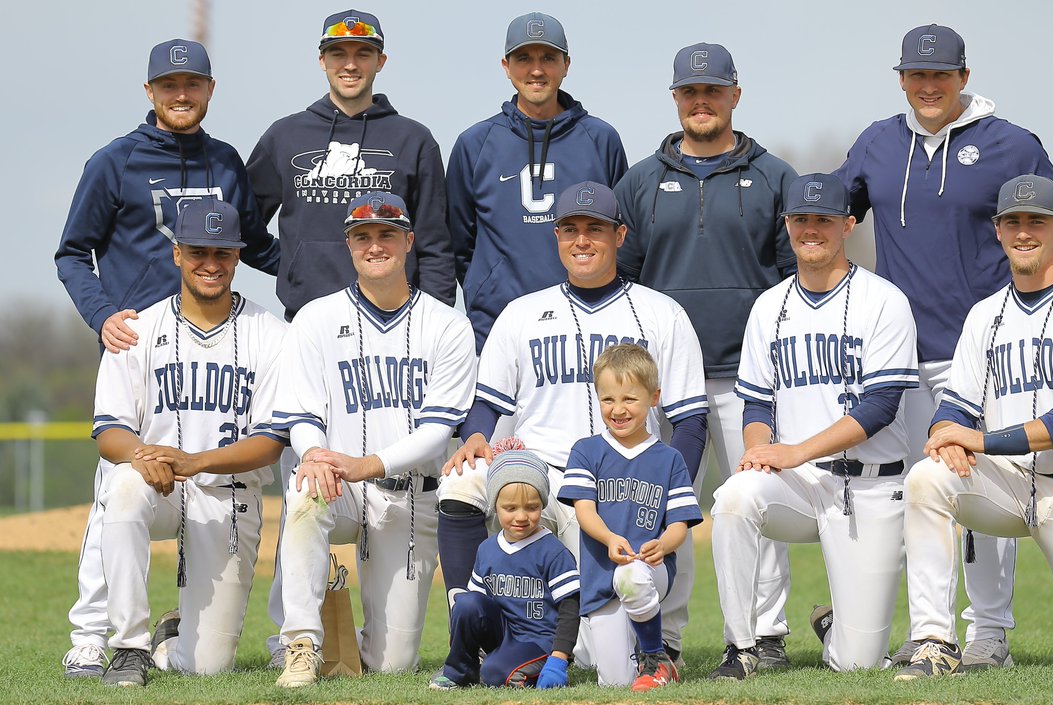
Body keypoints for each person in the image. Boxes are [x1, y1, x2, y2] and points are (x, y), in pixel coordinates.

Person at [833, 23, 1053, 669]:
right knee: (912, 494)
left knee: (977, 496)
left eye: (941, 75)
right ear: (900, 79)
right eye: (916, 75)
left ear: (964, 78)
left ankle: (989, 634)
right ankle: (929, 631)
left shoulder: (1012, 144)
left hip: (983, 356)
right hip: (896, 358)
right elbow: (826, 221)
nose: (928, 86)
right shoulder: (876, 142)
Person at [55, 38, 280, 680]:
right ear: (150, 91)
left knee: (207, 647)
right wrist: (105, 317)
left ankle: (178, 629)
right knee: (117, 499)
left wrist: (322, 280)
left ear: (210, 90)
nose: (181, 94)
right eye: (169, 84)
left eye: (194, 83)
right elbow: (73, 252)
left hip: (217, 344)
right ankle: (94, 639)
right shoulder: (115, 162)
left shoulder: (225, 161)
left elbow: (256, 245)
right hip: (142, 348)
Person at [437, 182, 707, 664]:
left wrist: (669, 487)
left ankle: (659, 642)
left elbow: (689, 421)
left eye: (595, 229)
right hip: (541, 476)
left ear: (620, 235)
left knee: (597, 658)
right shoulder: (521, 314)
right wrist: (475, 436)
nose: (582, 240)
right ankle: (469, 628)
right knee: (460, 480)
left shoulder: (661, 314)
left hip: (623, 479)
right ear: (557, 237)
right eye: (571, 230)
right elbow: (487, 403)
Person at [895, 174, 1053, 680]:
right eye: (1013, 222)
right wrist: (946, 436)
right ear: (998, 231)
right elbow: (956, 403)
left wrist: (977, 440)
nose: (1024, 232)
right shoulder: (984, 316)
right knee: (927, 477)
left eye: (1037, 221)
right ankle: (934, 642)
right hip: (1006, 486)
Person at [614, 42, 797, 666]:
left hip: (752, 381)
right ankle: (661, 638)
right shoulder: (639, 181)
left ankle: (765, 635)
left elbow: (799, 280)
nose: (702, 102)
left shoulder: (776, 177)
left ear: (734, 95)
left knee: (757, 505)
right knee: (664, 510)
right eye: (690, 92)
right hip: (665, 386)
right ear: (675, 99)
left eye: (713, 90)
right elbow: (625, 285)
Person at [708, 174, 918, 679]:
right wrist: (759, 452)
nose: (811, 229)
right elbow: (756, 406)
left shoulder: (884, 300)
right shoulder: (769, 306)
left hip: (868, 482)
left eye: (824, 219)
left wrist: (793, 452)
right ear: (787, 226)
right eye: (801, 219)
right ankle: (742, 647)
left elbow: (880, 407)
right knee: (734, 497)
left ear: (847, 224)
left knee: (858, 663)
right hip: (798, 483)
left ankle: (838, 628)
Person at [271, 192, 475, 688]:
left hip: (409, 496)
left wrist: (364, 464)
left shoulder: (448, 325)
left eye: (387, 235)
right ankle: (300, 642)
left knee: (391, 664)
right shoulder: (314, 319)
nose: (375, 245)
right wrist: (315, 453)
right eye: (362, 236)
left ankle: (345, 645)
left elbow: (435, 434)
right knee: (303, 490)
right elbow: (301, 413)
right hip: (338, 484)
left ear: (408, 241)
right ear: (349, 245)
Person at [90, 198, 286, 686]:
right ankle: (129, 647)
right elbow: (109, 430)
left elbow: (270, 442)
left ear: (238, 257)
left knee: (206, 667)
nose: (211, 264)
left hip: (229, 495)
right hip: (157, 485)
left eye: (223, 252)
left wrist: (194, 462)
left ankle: (171, 636)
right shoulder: (136, 330)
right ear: (177, 253)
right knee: (123, 486)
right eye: (199, 250)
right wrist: (142, 456)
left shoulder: (272, 335)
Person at [248, 9, 455, 320]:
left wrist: (436, 319)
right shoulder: (284, 137)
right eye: (337, 53)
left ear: (380, 61)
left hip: (396, 319)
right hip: (307, 319)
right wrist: (292, 262)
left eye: (363, 53)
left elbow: (435, 246)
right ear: (322, 61)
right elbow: (242, 226)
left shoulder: (414, 140)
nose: (350, 64)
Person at [447, 11, 628, 350]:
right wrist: (487, 288)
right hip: (498, 324)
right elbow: (460, 241)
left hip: (588, 320)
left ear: (566, 64)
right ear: (505, 65)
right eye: (523, 58)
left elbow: (621, 233)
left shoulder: (601, 139)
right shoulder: (475, 143)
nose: (536, 69)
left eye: (548, 57)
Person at [559, 344, 703, 689]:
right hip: (600, 578)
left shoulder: (668, 458)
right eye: (608, 399)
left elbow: (679, 524)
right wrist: (609, 539)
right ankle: (643, 658)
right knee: (614, 683)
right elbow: (584, 510)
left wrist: (663, 543)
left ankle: (655, 658)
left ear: (654, 398)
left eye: (629, 399)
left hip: (650, 569)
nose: (618, 409)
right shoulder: (586, 450)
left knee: (632, 576)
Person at [429, 450, 580, 690]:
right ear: (494, 506)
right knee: (466, 603)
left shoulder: (553, 552)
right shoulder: (487, 549)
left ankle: (506, 668)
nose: (521, 517)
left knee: (494, 674)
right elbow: (475, 608)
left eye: (531, 507)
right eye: (510, 508)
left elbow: (571, 609)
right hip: (503, 636)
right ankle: (459, 671)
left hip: (539, 643)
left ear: (542, 503)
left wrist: (558, 659)